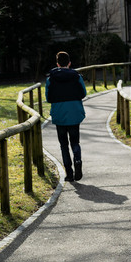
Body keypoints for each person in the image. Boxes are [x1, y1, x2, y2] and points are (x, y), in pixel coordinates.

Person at [45, 51, 86, 182]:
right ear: (69, 63)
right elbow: (83, 93)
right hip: (74, 113)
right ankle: (78, 160)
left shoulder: (51, 79)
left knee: (63, 145)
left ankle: (69, 173)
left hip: (59, 114)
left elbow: (48, 97)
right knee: (75, 142)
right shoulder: (77, 77)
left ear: (57, 64)